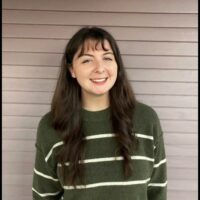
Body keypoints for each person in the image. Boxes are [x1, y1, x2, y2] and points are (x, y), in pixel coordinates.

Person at [32, 26, 167, 200]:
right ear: (72, 70)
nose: (100, 68)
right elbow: (44, 196)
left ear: (117, 66)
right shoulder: (51, 126)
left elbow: (157, 192)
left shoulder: (147, 120)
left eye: (108, 58)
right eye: (87, 60)